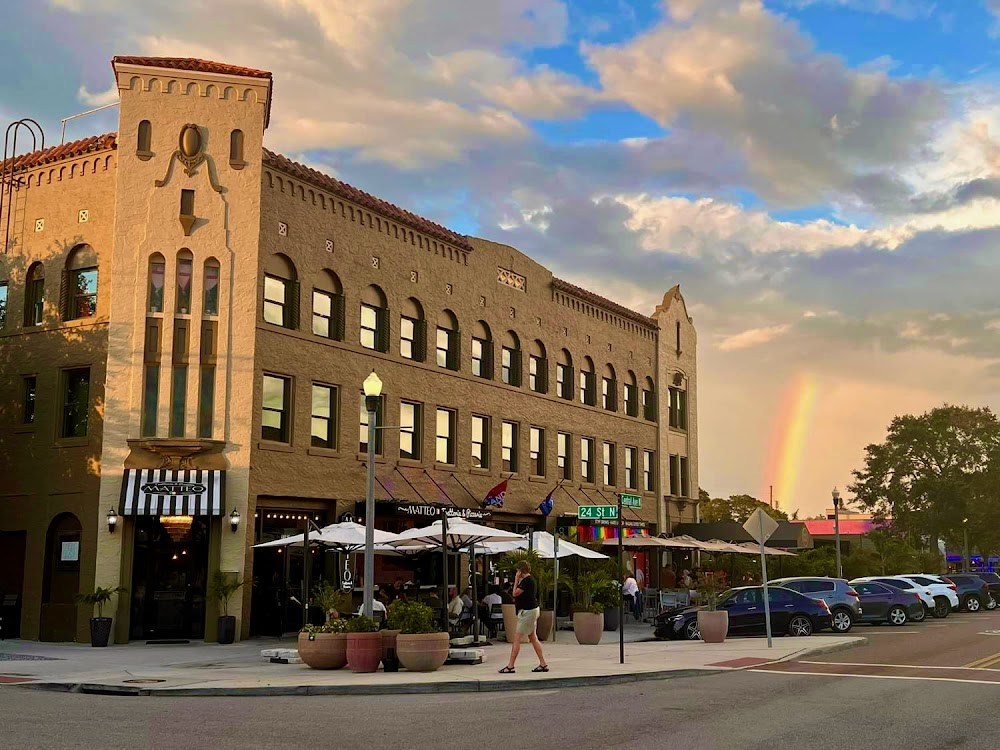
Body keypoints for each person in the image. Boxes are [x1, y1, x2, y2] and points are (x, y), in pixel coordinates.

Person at [499, 561, 548, 674]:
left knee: (517, 638)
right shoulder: (530, 580)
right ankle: (543, 663)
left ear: (521, 571)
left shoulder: (526, 581)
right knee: (533, 637)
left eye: (517, 571)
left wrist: (516, 579)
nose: (516, 572)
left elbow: (515, 593)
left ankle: (511, 666)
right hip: (532, 610)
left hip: (527, 612)